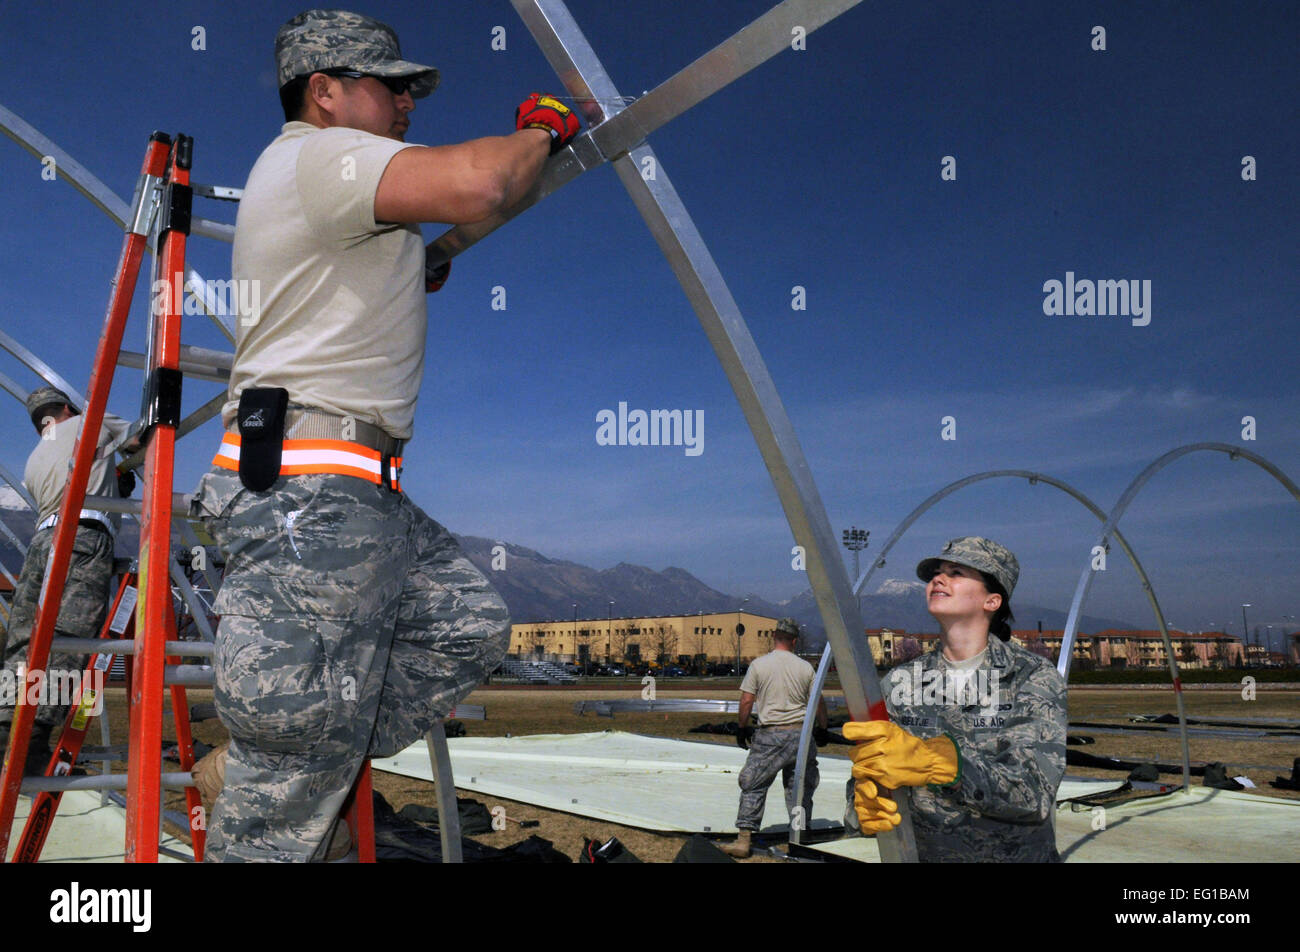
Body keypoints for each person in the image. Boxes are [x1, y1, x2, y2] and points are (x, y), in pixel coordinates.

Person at [188, 8, 578, 861]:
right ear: (324, 93)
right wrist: (542, 130)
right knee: (280, 819)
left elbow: (363, 264)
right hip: (310, 487)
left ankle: (280, 755)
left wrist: (416, 264)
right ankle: (276, 765)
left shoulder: (334, 192)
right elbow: (483, 184)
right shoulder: (319, 156)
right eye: (390, 86)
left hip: (353, 490)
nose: (408, 104)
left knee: (465, 625)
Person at [844, 536, 1067, 862]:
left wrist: (946, 764)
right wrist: (863, 801)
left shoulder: (1031, 677)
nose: (938, 578)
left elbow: (1033, 793)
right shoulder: (900, 682)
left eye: (957, 572)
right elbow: (872, 766)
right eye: (937, 572)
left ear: (991, 601)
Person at [0, 387, 132, 774]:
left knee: (25, 639)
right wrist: (121, 471)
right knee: (69, 639)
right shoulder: (88, 421)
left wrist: (108, 474)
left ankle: (5, 727)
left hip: (42, 541)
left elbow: (71, 475)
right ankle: (35, 745)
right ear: (66, 408)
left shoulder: (33, 460)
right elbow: (142, 436)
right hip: (84, 535)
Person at [719, 617, 829, 858]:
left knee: (753, 784)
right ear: (794, 640)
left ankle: (743, 840)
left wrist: (741, 727)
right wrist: (822, 727)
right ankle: (800, 837)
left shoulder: (759, 665)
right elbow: (817, 702)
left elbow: (747, 700)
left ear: (774, 637)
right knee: (799, 788)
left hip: (771, 735)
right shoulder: (805, 668)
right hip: (801, 735)